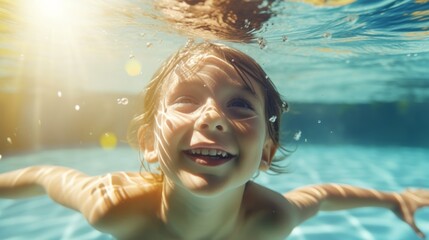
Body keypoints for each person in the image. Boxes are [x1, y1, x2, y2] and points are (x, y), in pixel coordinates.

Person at [0, 41, 428, 240]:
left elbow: (320, 196)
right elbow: (43, 175)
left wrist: (393, 200)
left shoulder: (268, 220)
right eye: (186, 100)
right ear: (149, 143)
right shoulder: (115, 208)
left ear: (265, 151)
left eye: (240, 105)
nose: (212, 117)